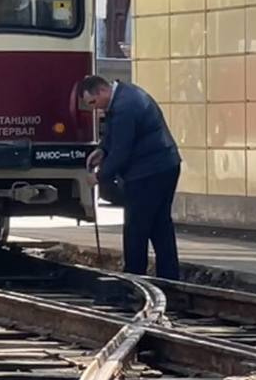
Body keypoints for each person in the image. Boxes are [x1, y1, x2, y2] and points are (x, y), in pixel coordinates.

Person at [78, 74, 182, 280]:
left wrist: (99, 177)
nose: (95, 107)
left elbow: (122, 150)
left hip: (148, 171)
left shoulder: (125, 107)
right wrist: (102, 150)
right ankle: (169, 276)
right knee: (160, 224)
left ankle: (134, 277)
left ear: (102, 91)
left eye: (93, 102)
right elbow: (115, 137)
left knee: (136, 226)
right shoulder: (126, 96)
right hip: (166, 165)